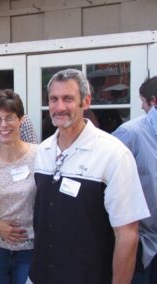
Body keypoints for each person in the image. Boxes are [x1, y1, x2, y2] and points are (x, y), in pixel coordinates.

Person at [28, 69, 150, 284]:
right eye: (54, 99)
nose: (59, 107)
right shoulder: (43, 151)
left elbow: (128, 234)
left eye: (68, 99)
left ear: (86, 101)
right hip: (41, 276)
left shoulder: (113, 154)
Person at [0, 89, 38, 284]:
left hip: (30, 249)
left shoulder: (40, 156)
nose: (3, 125)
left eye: (9, 118)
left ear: (21, 119)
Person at [112, 76, 157, 284]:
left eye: (142, 100)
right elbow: (104, 182)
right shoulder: (130, 133)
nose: (141, 105)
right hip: (143, 244)